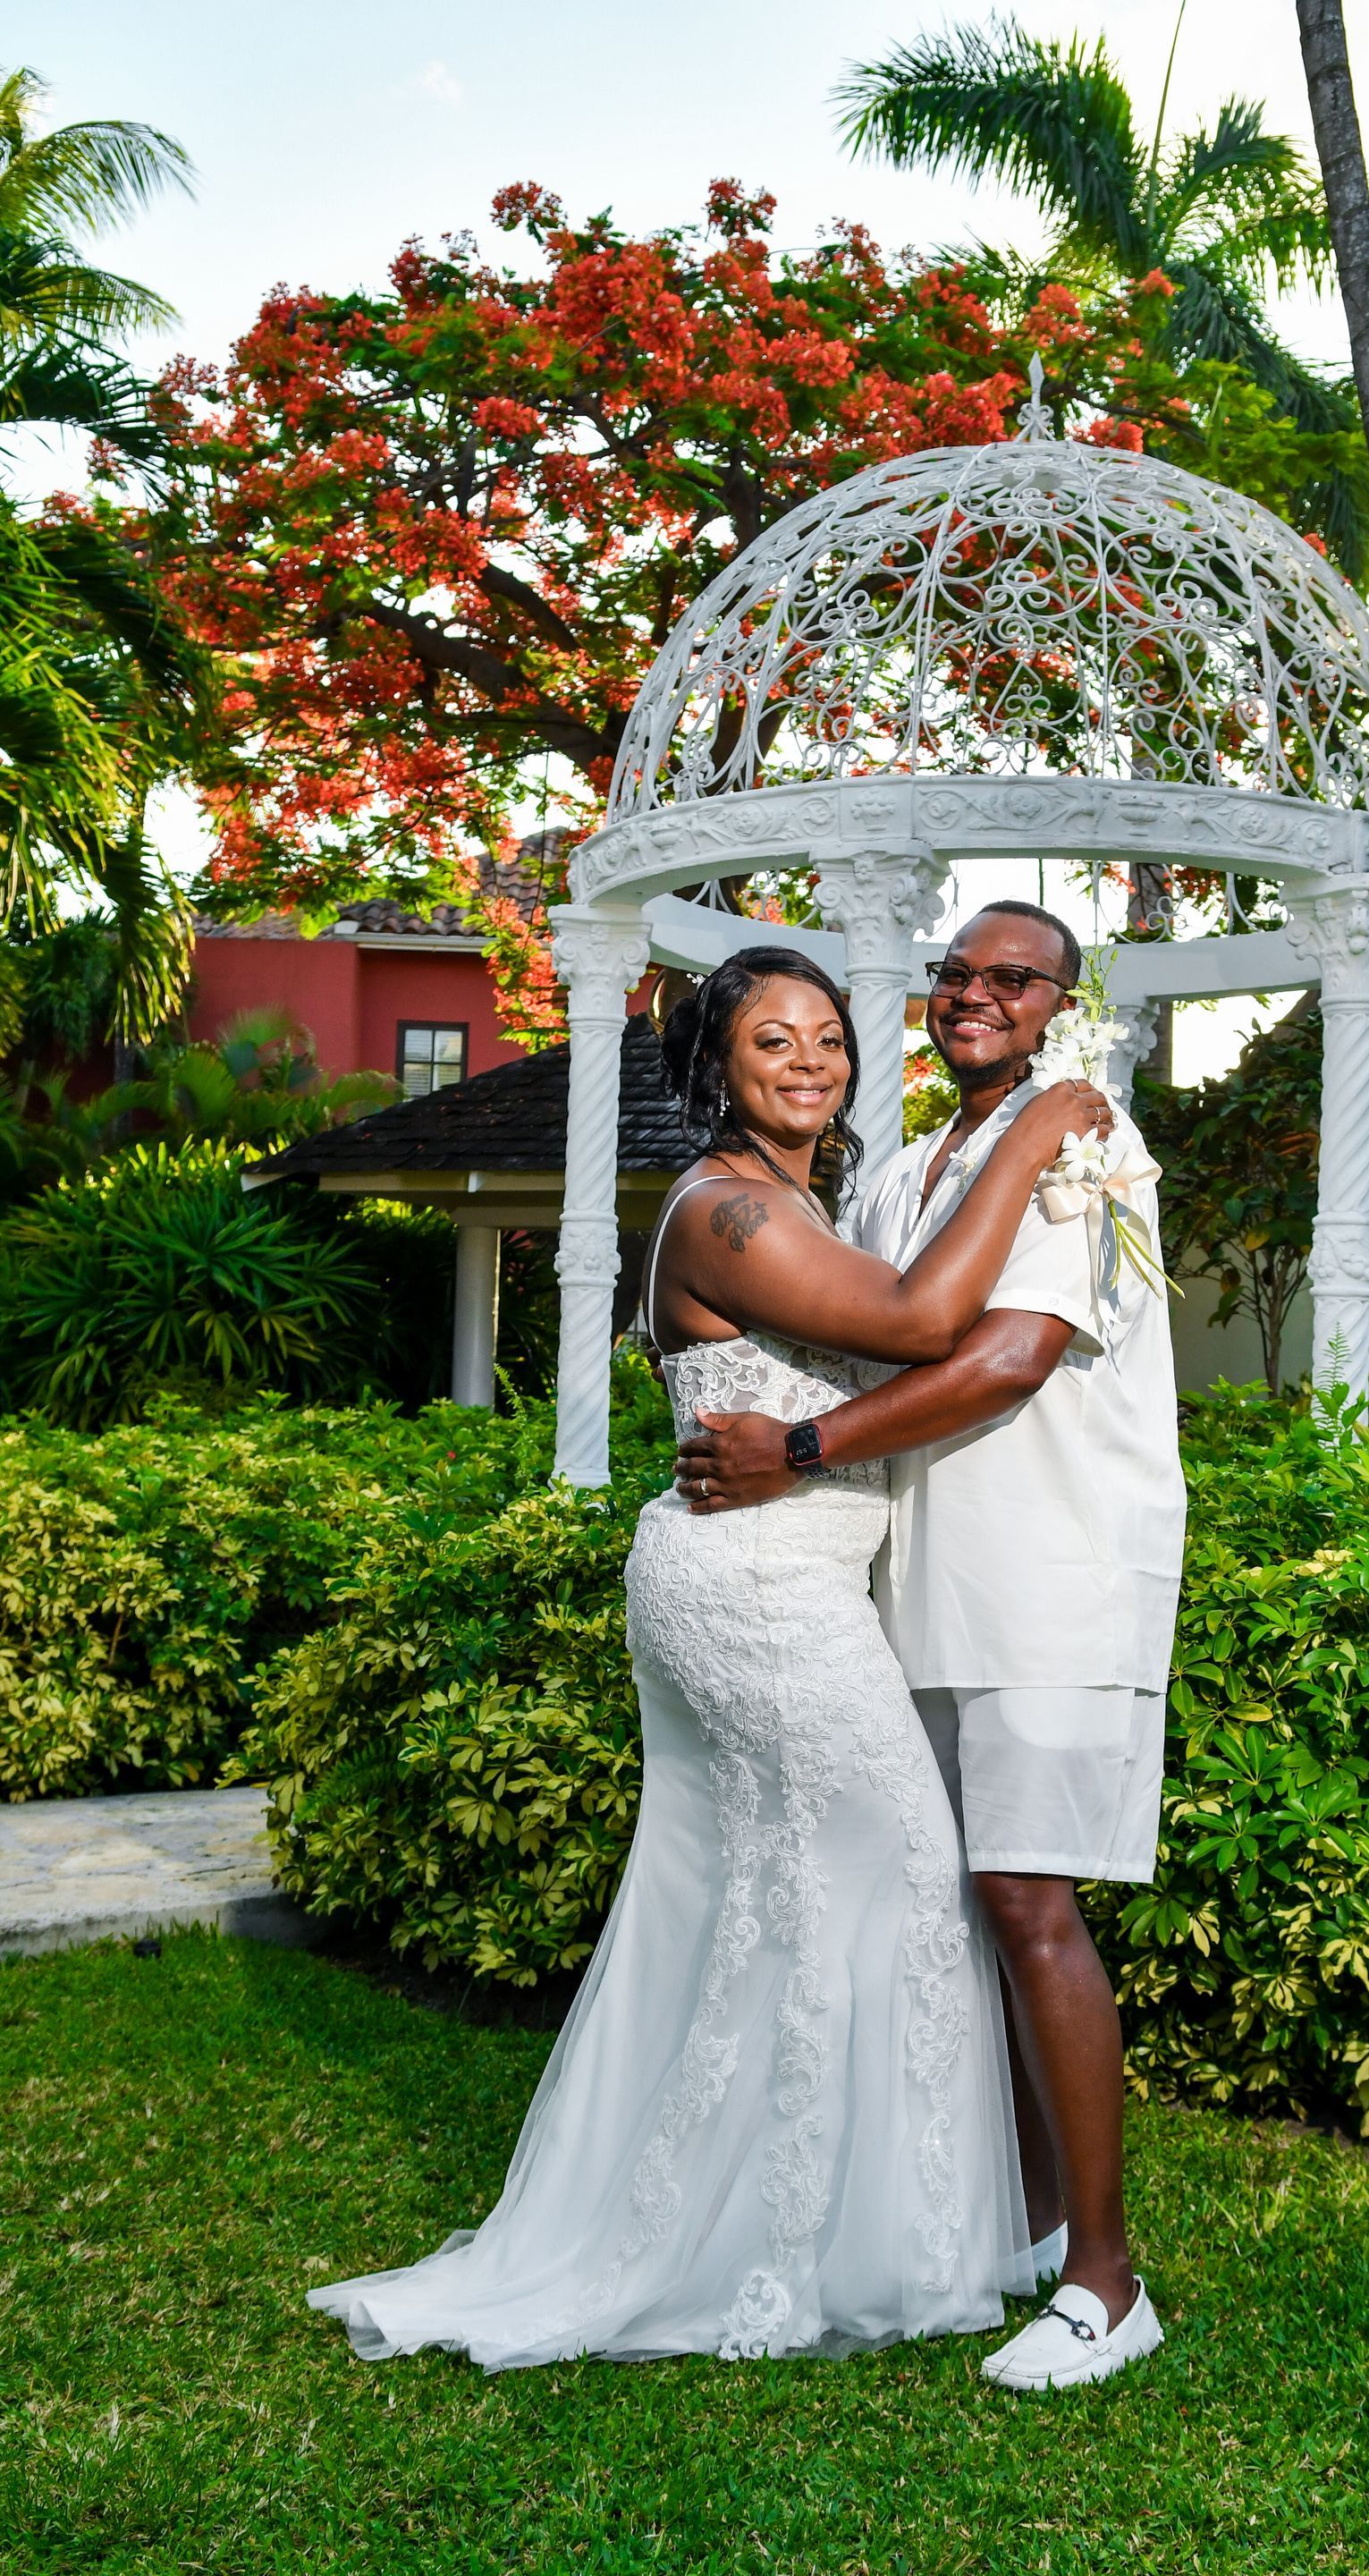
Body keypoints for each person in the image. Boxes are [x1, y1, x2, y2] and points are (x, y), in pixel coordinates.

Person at [308, 945, 1113, 2369]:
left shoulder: (808, 1196)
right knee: (908, 1880)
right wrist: (1043, 1125)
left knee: (784, 1902)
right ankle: (835, 2239)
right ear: (715, 1070)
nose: (809, 1061)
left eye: (828, 1038)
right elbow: (930, 1323)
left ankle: (834, 2216)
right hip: (749, 1588)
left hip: (786, 1575)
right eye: (770, 1044)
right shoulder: (732, 1210)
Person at [675, 901, 1186, 2392]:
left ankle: (1107, 2280)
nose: (977, 994)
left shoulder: (1091, 1148)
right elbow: (898, 1315)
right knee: (968, 1906)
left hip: (1050, 1578)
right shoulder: (904, 1170)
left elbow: (1010, 1355)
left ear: (1059, 1008)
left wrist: (807, 1449)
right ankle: (1030, 2229)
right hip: (915, 1585)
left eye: (1013, 978)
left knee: (1032, 1901)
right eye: (956, 972)